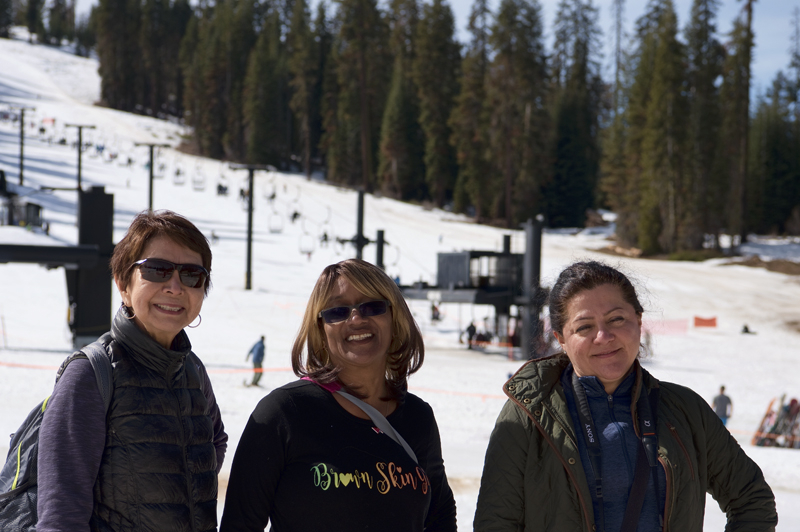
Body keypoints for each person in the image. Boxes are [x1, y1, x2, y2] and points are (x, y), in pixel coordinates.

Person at [474, 260, 776, 531]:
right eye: (584, 327)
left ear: (639, 321)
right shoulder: (528, 415)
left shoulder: (685, 410)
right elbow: (496, 522)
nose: (603, 337)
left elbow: (751, 500)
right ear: (561, 339)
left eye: (616, 319)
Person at [220, 258, 457, 532]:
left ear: (395, 318)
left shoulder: (418, 417)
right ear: (320, 329)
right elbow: (240, 524)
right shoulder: (284, 412)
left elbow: (440, 516)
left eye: (372, 306)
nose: (356, 319)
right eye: (337, 311)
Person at [37, 210, 228, 532]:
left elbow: (215, 441)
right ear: (124, 284)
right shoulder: (90, 374)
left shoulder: (191, 368)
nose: (175, 287)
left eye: (192, 275)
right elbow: (61, 513)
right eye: (157, 270)